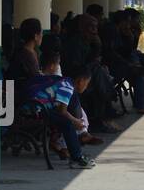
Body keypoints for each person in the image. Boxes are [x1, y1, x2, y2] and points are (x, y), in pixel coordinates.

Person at [6, 19, 94, 168]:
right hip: (31, 103)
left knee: (68, 99)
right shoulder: (27, 55)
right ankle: (77, 148)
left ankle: (77, 143)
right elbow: (36, 81)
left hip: (36, 99)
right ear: (36, 36)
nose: (41, 37)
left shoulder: (30, 53)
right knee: (67, 117)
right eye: (40, 33)